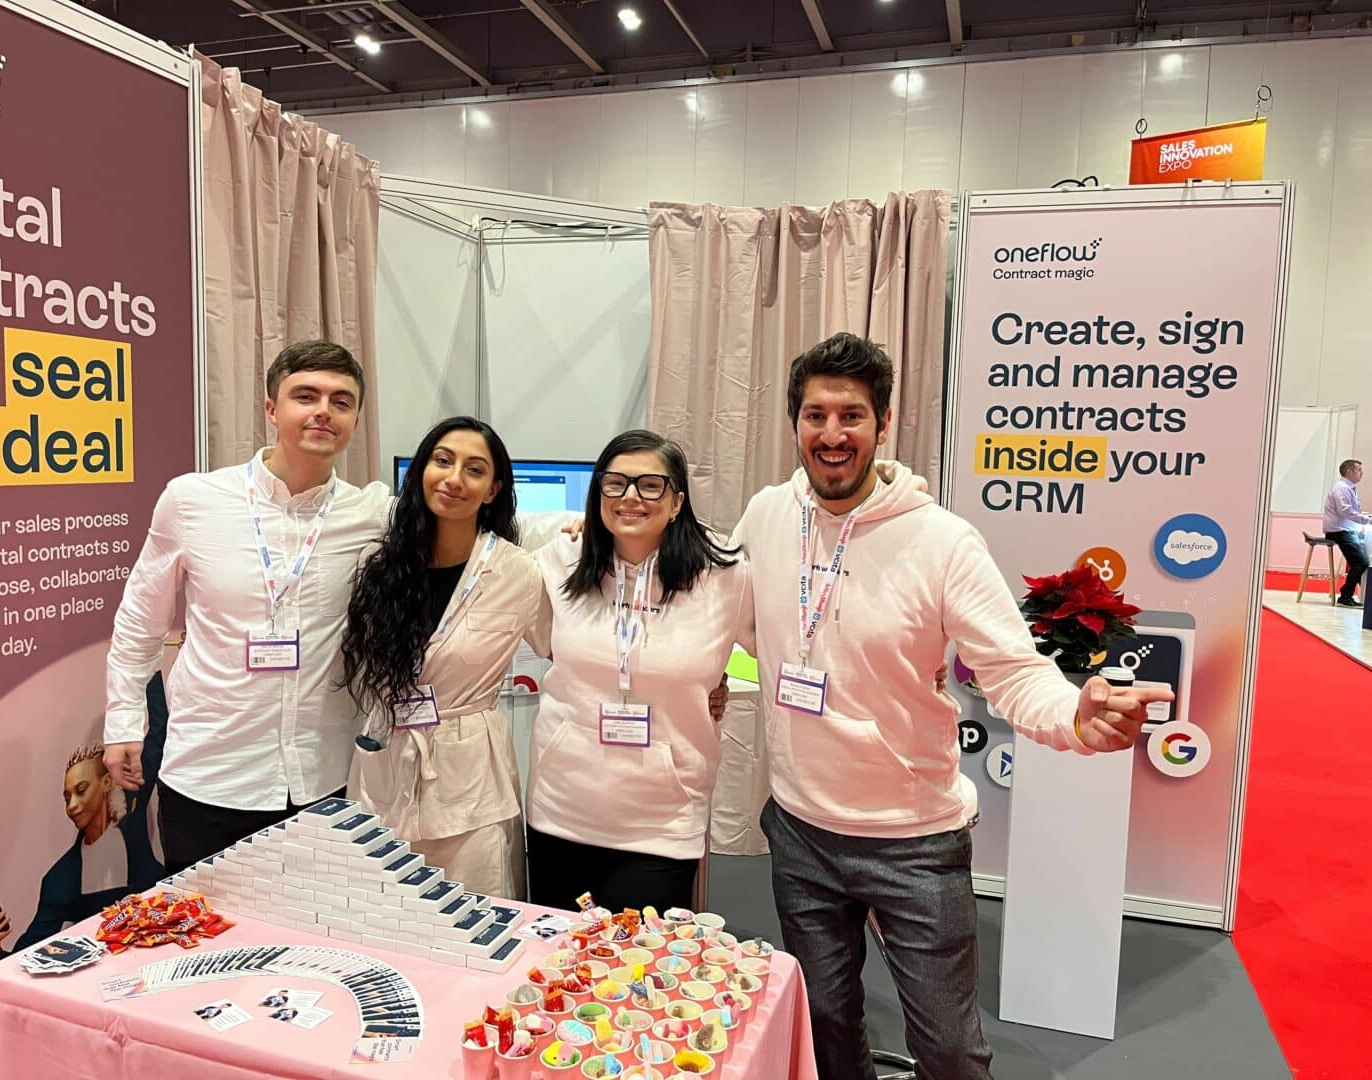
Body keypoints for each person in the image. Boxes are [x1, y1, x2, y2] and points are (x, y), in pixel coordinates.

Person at [733, 333, 1174, 1080]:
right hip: (801, 829)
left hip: (913, 840)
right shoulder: (769, 516)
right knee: (829, 1028)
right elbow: (716, 601)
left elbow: (1011, 670)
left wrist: (1075, 717)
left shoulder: (942, 542)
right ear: (795, 424)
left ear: (884, 424)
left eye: (851, 416)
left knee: (947, 1046)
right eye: (815, 416)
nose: (832, 435)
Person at [103, 340, 392, 875]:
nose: (323, 411)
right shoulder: (192, 501)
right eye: (306, 396)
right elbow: (139, 623)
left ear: (354, 418)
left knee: (310, 947)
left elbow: (462, 535)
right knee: (213, 944)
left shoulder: (372, 514)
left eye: (342, 401)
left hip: (322, 779)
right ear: (271, 409)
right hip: (210, 775)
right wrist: (124, 721)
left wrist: (584, 527)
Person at [522, 430, 754, 914]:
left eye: (650, 485)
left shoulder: (726, 577)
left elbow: (788, 643)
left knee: (642, 975)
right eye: (615, 483)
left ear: (676, 503)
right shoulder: (561, 559)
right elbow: (479, 531)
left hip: (663, 824)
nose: (630, 496)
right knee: (560, 967)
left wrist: (714, 681)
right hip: (562, 810)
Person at [342, 417, 547, 899]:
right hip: (384, 773)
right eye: (442, 461)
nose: (454, 479)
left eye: (474, 470)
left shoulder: (518, 573)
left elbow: (575, 648)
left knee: (478, 926)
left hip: (471, 784)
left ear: (493, 489)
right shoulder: (378, 564)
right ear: (421, 471)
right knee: (381, 919)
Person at [0, 673, 169, 967]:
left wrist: (148, 662)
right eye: (67, 797)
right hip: (109, 977)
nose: (73, 805)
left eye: (81, 791)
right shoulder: (60, 879)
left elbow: (159, 731)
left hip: (166, 949)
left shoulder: (131, 804)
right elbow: (24, 960)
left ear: (107, 784)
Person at [1323, 458, 1369, 608]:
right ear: (1349, 472)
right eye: (1359, 470)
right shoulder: (1341, 488)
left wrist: (1364, 519)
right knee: (1361, 562)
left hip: (1346, 530)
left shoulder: (1348, 488)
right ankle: (1345, 596)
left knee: (1360, 560)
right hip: (1339, 531)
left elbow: (1352, 511)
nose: (1362, 473)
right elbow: (1346, 511)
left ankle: (1364, 594)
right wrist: (1366, 521)